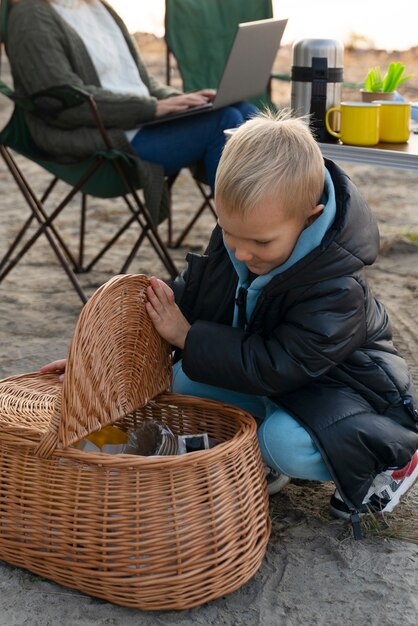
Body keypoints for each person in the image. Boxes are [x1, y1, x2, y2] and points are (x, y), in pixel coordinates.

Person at [41, 111, 418, 537]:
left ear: (309, 218)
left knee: (280, 442)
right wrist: (97, 360)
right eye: (228, 233)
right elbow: (184, 301)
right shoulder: (240, 237)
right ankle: (263, 455)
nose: (240, 253)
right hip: (271, 379)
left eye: (260, 242)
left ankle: (391, 458)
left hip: (343, 391)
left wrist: (186, 336)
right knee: (182, 380)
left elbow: (278, 364)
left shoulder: (336, 287)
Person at [6, 0, 257, 224]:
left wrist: (181, 101)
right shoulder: (31, 17)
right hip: (103, 138)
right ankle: (242, 238)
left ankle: (273, 226)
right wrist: (151, 108)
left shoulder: (100, 8)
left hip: (140, 122)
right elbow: (65, 104)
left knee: (244, 112)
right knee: (223, 123)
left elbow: (142, 83)